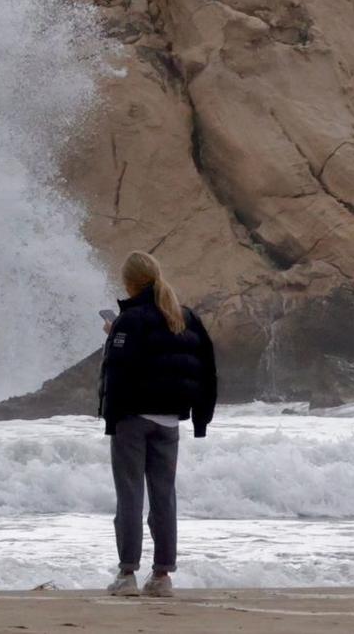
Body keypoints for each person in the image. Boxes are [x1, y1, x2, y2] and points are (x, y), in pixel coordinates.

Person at [98, 250, 217, 598]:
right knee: (164, 497)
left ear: (129, 282)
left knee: (131, 496)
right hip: (169, 421)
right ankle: (162, 576)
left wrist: (111, 418)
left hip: (133, 419)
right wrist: (200, 418)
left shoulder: (129, 320)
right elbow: (207, 370)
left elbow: (118, 371)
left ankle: (127, 575)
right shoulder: (185, 316)